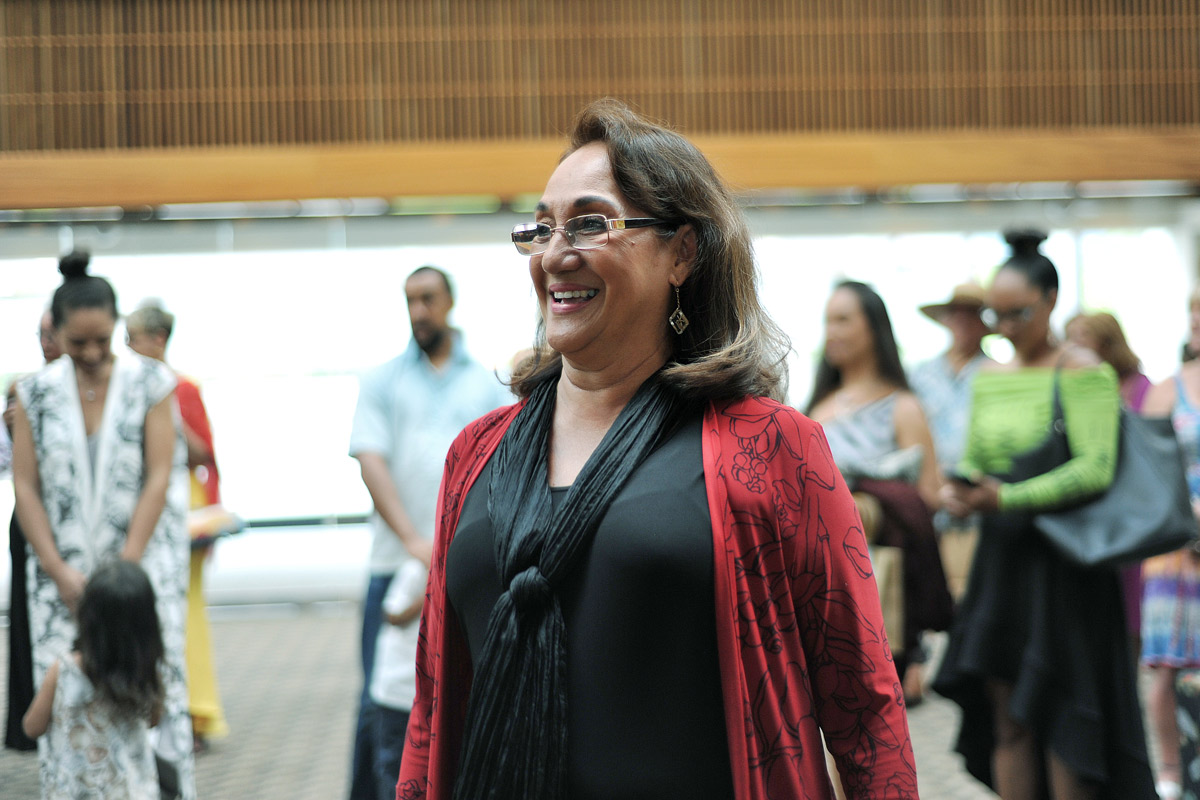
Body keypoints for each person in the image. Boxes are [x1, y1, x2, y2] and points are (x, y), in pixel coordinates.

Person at [396, 99, 917, 800]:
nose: (555, 253)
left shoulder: (769, 447)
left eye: (589, 222)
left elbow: (863, 703)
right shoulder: (477, 453)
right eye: (542, 227)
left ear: (682, 252)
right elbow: (433, 704)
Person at [935, 230, 1155, 799]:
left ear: (1052, 301)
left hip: (1066, 564)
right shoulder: (992, 377)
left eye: (1018, 313)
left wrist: (1005, 497)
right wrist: (962, 490)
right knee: (1009, 717)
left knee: (1066, 719)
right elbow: (980, 459)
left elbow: (1095, 470)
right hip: (1004, 562)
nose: (1005, 327)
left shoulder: (1083, 371)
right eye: (996, 315)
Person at [10, 252, 195, 798]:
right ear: (55, 332)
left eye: (102, 341)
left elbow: (161, 474)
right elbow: (25, 487)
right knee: (65, 689)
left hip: (137, 575)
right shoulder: (34, 391)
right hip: (58, 575)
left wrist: (125, 569)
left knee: (153, 691)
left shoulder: (152, 381)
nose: (91, 353)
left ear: (117, 326)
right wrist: (57, 569)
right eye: (77, 343)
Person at [346, 265, 509, 800]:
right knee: (378, 702)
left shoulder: (486, 382)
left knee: (454, 691)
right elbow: (371, 463)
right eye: (411, 300)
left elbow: (500, 468)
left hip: (460, 570)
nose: (419, 311)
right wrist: (417, 544)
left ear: (450, 302)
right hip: (393, 564)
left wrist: (450, 553)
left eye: (428, 299)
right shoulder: (382, 380)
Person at [806, 280, 952, 707]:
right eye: (828, 320)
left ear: (874, 328)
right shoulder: (818, 408)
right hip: (822, 576)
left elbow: (928, 498)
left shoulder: (903, 407)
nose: (832, 331)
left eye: (843, 319)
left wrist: (872, 501)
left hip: (881, 580)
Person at [125, 301, 227, 751]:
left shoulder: (181, 388)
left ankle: (195, 711)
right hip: (158, 499)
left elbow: (207, 454)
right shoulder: (132, 386)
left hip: (187, 503)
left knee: (186, 614)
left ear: (157, 339)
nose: (128, 348)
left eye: (134, 339)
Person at [22, 560, 165, 799]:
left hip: (77, 791)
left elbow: (32, 727)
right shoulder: (146, 672)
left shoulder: (63, 670)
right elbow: (153, 720)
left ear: (88, 617)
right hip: (132, 790)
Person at [1136, 288, 1200, 800]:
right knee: (1165, 668)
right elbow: (1146, 477)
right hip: (1176, 546)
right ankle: (1171, 772)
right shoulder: (1165, 390)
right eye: (1193, 313)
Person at [5, 310, 63, 754]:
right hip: (31, 516)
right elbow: (11, 466)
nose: (47, 342)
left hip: (68, 518)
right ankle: (30, 718)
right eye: (40, 335)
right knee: (29, 615)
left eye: (52, 333)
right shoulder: (24, 391)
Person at [910, 282, 994, 480]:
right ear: (947, 319)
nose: (962, 321)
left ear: (983, 323)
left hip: (980, 480)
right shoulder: (921, 374)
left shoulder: (995, 374)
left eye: (971, 314)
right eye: (957, 313)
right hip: (929, 480)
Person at [1065, 311, 1152, 412]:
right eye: (1070, 337)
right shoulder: (1078, 384)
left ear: (1105, 343)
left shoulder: (1140, 386)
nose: (1074, 345)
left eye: (1084, 335)